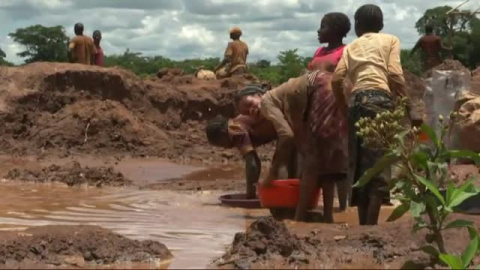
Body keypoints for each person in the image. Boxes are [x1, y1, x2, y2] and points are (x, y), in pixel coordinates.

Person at [237, 13, 352, 221]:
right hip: (310, 105)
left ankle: (303, 216)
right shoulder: (319, 52)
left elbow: (341, 80)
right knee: (318, 160)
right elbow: (305, 83)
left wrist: (271, 175)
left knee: (319, 160)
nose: (318, 31)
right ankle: (324, 216)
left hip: (330, 101)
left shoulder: (346, 52)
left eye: (323, 27)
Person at [331, 4, 419, 225]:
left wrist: (344, 108)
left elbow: (336, 79)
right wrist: (410, 109)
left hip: (357, 103)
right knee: (379, 163)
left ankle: (363, 224)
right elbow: (395, 75)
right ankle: (371, 225)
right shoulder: (390, 40)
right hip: (380, 102)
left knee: (359, 164)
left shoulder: (351, 47)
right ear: (381, 25)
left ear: (357, 26)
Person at [206, 85, 299, 199]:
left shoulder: (235, 131)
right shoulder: (239, 122)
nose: (227, 147)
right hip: (290, 128)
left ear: (223, 133)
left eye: (222, 144)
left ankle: (285, 202)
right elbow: (255, 162)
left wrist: (250, 195)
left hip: (288, 130)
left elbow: (252, 164)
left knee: (281, 167)